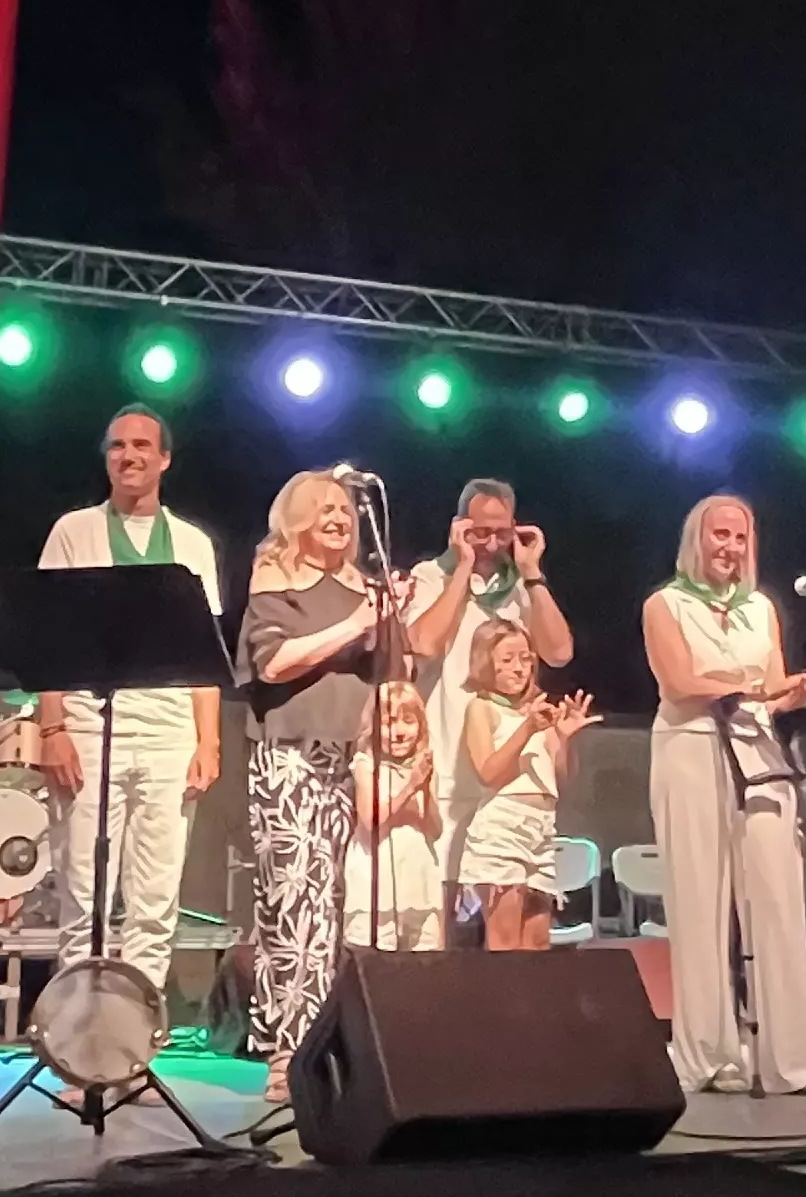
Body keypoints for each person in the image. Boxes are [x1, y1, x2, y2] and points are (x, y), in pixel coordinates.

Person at [644, 493, 806, 1095]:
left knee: (779, 897)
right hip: (690, 746)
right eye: (720, 535)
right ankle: (709, 1055)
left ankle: (794, 1058)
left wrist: (796, 693)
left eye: (740, 538)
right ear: (696, 539)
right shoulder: (665, 604)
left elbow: (772, 689)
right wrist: (750, 682)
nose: (730, 548)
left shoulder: (760, 607)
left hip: (757, 748)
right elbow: (679, 684)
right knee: (700, 902)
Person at [28, 405, 221, 992]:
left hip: (168, 734)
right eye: (117, 445)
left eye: (142, 445)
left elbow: (204, 651)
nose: (129, 455)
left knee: (155, 901)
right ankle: (77, 1049)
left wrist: (208, 741)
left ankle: (131, 1049)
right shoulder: (73, 530)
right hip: (89, 727)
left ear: (164, 459)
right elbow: (47, 638)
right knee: (83, 896)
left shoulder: (192, 543)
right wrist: (53, 729)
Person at [239, 471, 394, 1101]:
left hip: (346, 754)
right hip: (289, 754)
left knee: (330, 904)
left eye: (347, 510)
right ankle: (285, 1051)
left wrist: (385, 621)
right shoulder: (276, 580)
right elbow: (272, 663)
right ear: (298, 517)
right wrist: (357, 622)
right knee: (290, 899)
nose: (340, 517)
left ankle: (325, 1043)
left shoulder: (367, 587)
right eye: (326, 508)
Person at [403, 477, 578, 933]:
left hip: (504, 777)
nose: (491, 543)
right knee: (440, 910)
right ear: (460, 527)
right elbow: (422, 643)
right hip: (445, 761)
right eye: (480, 531)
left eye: (502, 532)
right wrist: (461, 569)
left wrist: (532, 573)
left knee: (511, 922)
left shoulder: (519, 588)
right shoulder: (431, 575)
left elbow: (559, 651)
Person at [457, 627, 596, 950]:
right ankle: (500, 1002)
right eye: (507, 659)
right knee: (504, 942)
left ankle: (534, 1002)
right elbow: (488, 773)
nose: (520, 668)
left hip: (542, 828)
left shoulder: (538, 709)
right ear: (486, 663)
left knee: (537, 942)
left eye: (525, 659)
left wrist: (564, 738)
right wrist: (526, 728)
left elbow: (560, 779)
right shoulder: (482, 707)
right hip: (503, 826)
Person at [344, 681, 447, 953]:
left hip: (418, 880)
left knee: (425, 964)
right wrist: (409, 788)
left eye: (409, 721)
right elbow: (369, 821)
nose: (400, 732)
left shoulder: (423, 766)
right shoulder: (366, 765)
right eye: (390, 722)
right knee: (376, 965)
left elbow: (434, 830)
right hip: (377, 886)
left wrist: (424, 788)